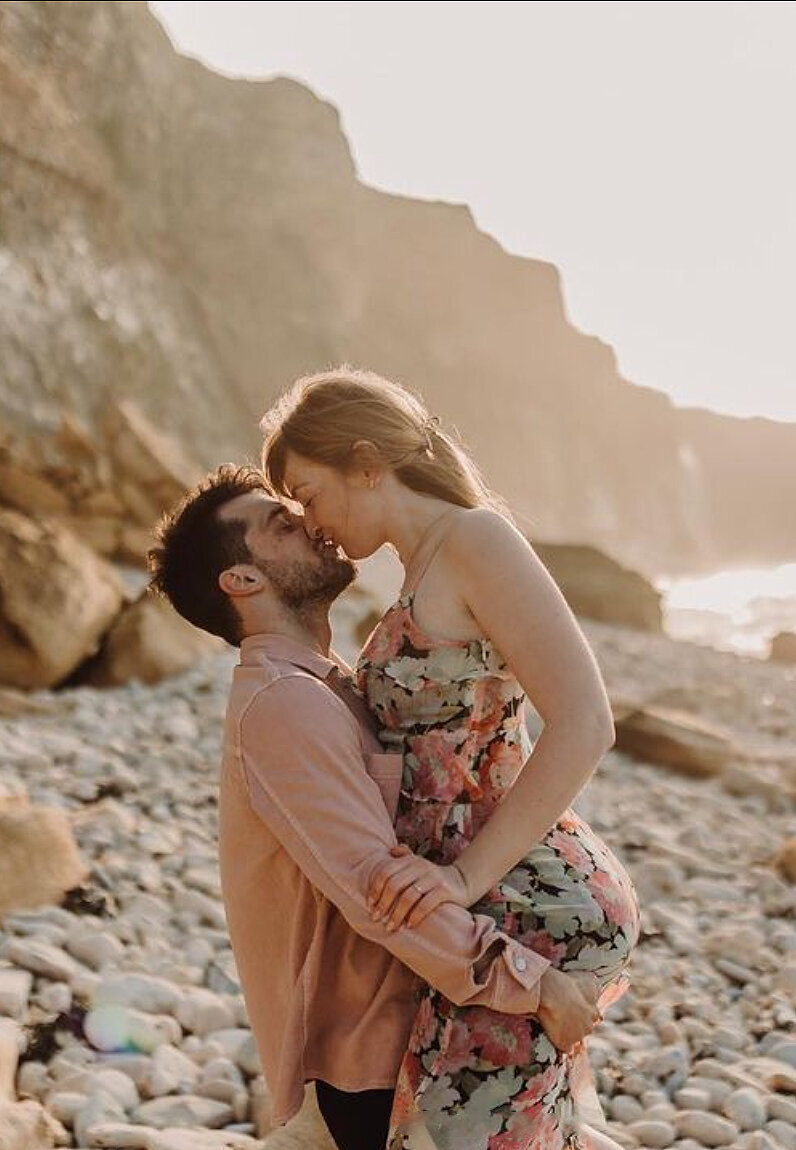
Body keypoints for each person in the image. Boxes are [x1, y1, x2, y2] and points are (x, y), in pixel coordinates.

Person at [147, 465, 605, 1150]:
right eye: (279, 523)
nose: (307, 522)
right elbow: (376, 891)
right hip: (367, 1062)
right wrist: (532, 985)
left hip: (410, 1027)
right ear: (243, 582)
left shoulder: (329, 684)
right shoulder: (283, 705)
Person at [261, 366, 642, 1150]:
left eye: (308, 492)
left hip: (535, 903)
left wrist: (464, 878)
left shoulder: (475, 539)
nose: (310, 521)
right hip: (478, 907)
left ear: (368, 463)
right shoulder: (422, 567)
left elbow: (585, 722)